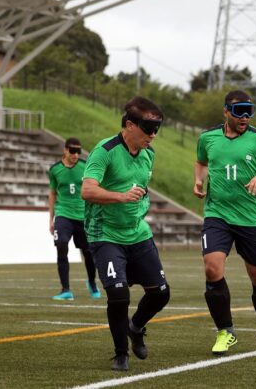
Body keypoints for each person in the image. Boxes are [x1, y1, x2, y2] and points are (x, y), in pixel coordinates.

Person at [81, 97, 170, 372]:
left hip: (138, 233)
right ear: (130, 125)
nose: (153, 135)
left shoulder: (148, 154)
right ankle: (121, 354)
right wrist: (120, 197)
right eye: (148, 129)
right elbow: (87, 190)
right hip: (105, 233)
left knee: (161, 294)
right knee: (118, 295)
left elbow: (141, 189)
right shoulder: (104, 151)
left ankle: (136, 327)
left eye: (157, 129)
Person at [193, 90, 256, 355]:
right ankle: (225, 331)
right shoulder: (207, 138)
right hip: (217, 214)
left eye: (249, 111)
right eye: (238, 110)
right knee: (212, 268)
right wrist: (198, 180)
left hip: (250, 219)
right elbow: (201, 162)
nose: (244, 116)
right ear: (225, 111)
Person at [48, 137, 99, 301]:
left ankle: (92, 282)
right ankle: (65, 289)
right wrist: (51, 219)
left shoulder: (85, 167)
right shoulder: (54, 170)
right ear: (65, 150)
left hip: (83, 216)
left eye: (78, 151)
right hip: (63, 214)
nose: (76, 155)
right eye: (72, 151)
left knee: (88, 253)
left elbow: (95, 188)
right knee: (61, 246)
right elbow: (52, 193)